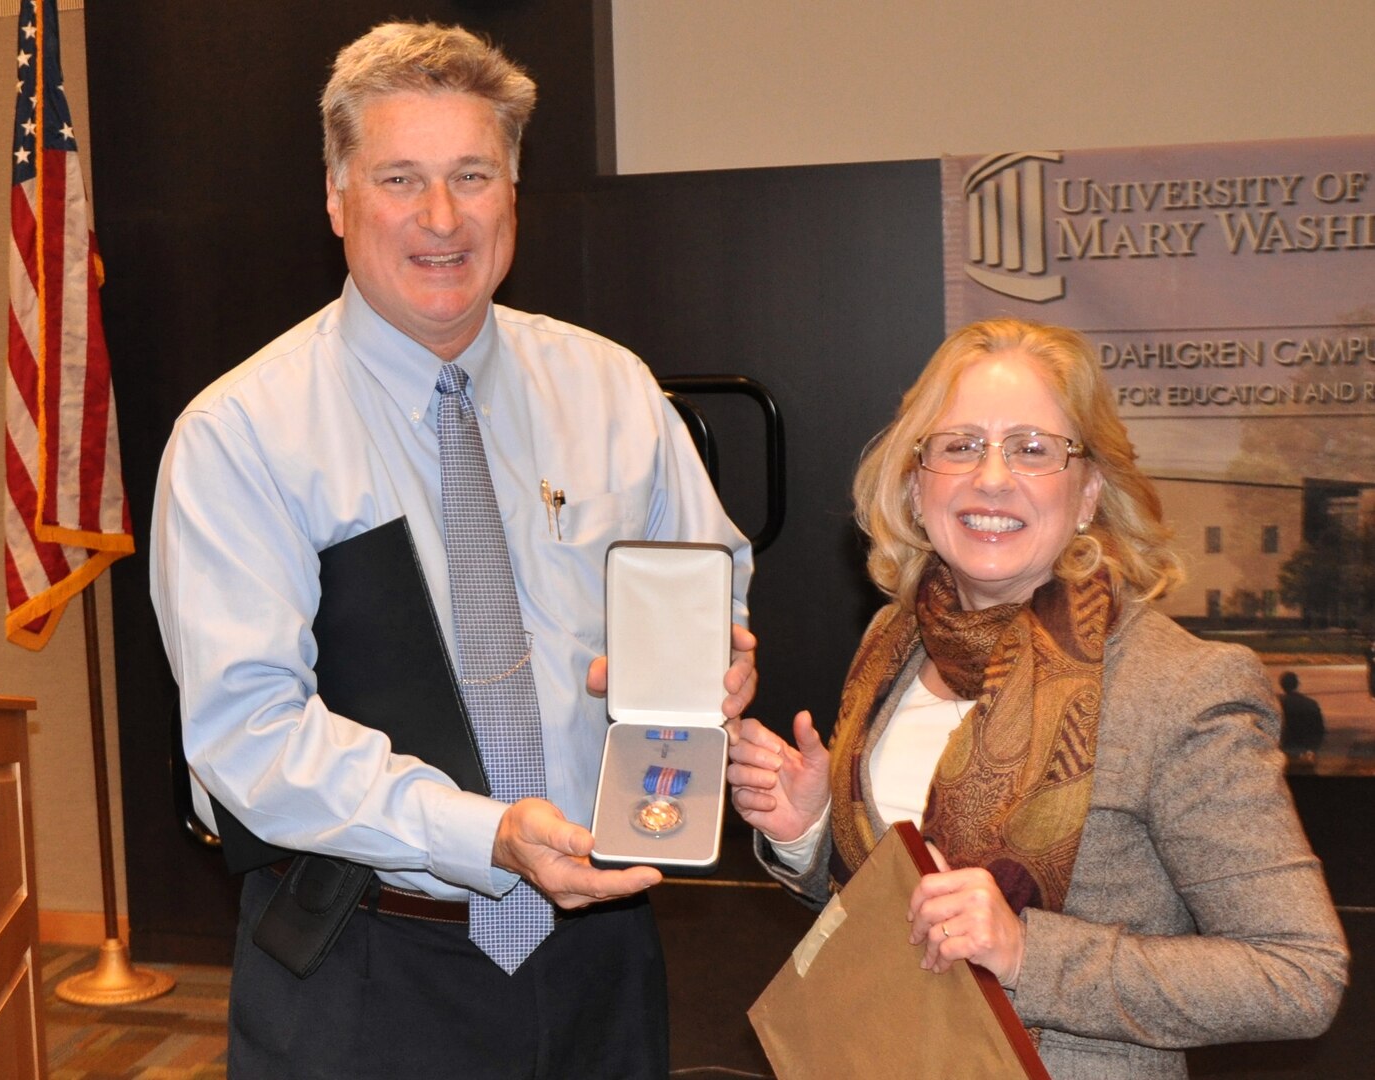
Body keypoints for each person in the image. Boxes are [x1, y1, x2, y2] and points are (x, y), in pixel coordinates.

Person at [150, 22, 754, 1080]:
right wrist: (484, 835)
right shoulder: (243, 433)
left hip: (603, 961)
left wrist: (714, 658)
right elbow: (247, 736)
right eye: (399, 178)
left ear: (513, 194)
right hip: (367, 965)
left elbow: (712, 581)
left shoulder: (615, 391)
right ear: (337, 200)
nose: (441, 218)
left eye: (472, 175)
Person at [728, 319, 1347, 1079]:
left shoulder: (1180, 688)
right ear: (917, 486)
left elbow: (1300, 975)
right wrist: (811, 831)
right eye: (960, 445)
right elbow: (902, 912)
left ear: (1088, 492)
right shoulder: (895, 640)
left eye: (1032, 448)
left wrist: (1028, 952)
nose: (992, 478)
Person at [1278, 670, 1326, 763]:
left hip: (1284, 748)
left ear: (1282, 685)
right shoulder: (1311, 703)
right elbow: (1319, 729)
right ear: (1297, 684)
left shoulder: (1276, 704)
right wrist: (1313, 749)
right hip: (1304, 748)